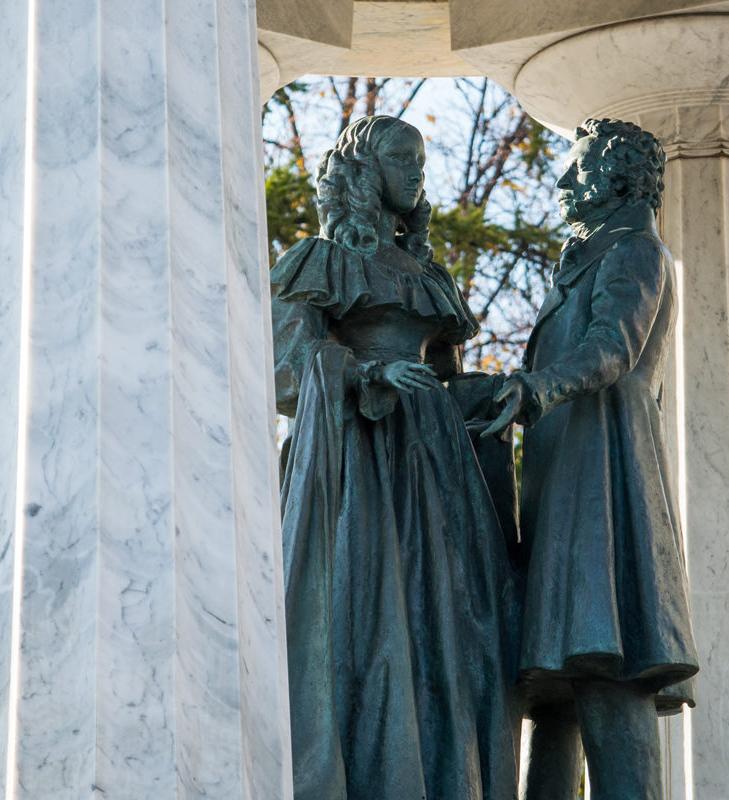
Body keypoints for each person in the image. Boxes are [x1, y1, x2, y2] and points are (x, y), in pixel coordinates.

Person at [273, 115, 520, 800]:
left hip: (434, 461)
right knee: (364, 608)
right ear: (363, 170)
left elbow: (448, 372)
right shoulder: (319, 261)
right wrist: (367, 377)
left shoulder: (426, 272)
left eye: (420, 158)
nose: (414, 172)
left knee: (440, 617)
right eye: (398, 159)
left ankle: (440, 768)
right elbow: (284, 365)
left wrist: (512, 393)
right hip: (356, 457)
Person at [482, 118, 697, 800]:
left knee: (607, 660)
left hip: (605, 475)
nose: (565, 180)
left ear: (617, 176)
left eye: (578, 168)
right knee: (558, 683)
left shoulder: (635, 250)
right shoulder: (586, 255)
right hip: (565, 478)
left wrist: (534, 389)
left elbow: (614, 347)